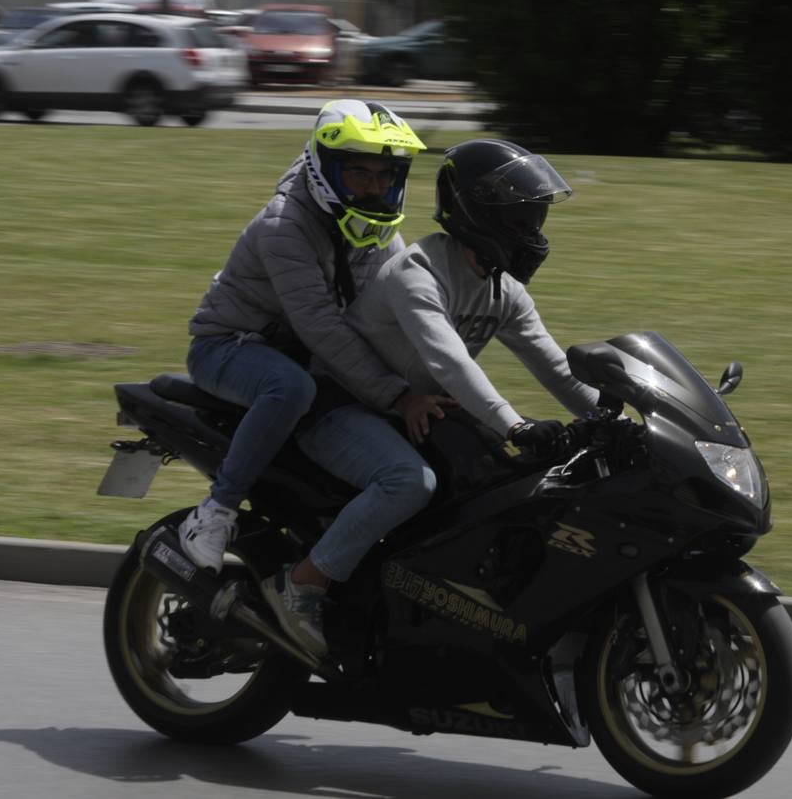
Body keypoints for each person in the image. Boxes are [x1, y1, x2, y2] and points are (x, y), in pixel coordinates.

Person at [177, 99, 452, 658]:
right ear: (325, 168)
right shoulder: (286, 226)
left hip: (301, 358)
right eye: (359, 172)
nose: (374, 187)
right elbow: (324, 329)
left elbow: (401, 311)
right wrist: (396, 395)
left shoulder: (377, 231)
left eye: (385, 174)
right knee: (291, 389)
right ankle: (216, 512)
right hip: (230, 348)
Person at [292, 139, 600, 622]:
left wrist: (611, 414)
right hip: (343, 404)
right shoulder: (418, 273)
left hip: (415, 407)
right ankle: (303, 588)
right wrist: (514, 426)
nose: (534, 233)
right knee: (408, 483)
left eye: (537, 218)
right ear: (480, 214)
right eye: (522, 218)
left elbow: (555, 366)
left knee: (504, 484)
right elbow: (449, 362)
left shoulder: (504, 290)